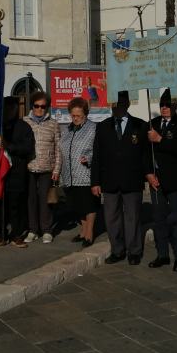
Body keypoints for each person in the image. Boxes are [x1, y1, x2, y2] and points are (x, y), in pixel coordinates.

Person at [91, 90, 148, 265]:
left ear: (128, 104)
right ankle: (117, 250)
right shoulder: (103, 126)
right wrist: (95, 182)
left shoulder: (140, 125)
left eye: (121, 104)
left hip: (132, 180)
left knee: (132, 217)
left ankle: (134, 251)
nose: (117, 107)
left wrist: (148, 175)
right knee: (111, 218)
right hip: (109, 181)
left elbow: (145, 155)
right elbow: (97, 156)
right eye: (114, 104)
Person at [146, 88, 177, 272]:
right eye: (162, 105)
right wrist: (148, 173)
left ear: (175, 106)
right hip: (156, 180)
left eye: (168, 105)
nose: (164, 108)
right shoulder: (152, 123)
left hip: (176, 180)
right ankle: (162, 254)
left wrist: (160, 140)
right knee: (159, 219)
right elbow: (145, 153)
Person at [0, 96, 35, 248]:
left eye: (13, 108)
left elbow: (27, 148)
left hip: (16, 170)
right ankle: (0, 234)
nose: (10, 111)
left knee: (16, 205)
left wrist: (9, 146)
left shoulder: (24, 127)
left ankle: (16, 234)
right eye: (7, 108)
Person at [23, 91, 61, 245]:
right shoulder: (25, 122)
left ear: (47, 108)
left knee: (46, 200)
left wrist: (57, 169)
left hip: (47, 168)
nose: (39, 109)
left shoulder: (53, 124)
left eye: (43, 106)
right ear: (32, 106)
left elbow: (58, 148)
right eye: (36, 106)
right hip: (29, 167)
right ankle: (33, 230)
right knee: (31, 200)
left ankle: (46, 230)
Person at [59, 97, 98, 247]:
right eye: (73, 115)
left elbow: (98, 151)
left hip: (86, 174)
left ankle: (89, 233)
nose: (75, 118)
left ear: (85, 114)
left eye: (78, 116)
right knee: (77, 206)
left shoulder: (93, 128)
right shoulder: (67, 129)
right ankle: (83, 231)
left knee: (88, 205)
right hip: (69, 175)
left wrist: (88, 158)